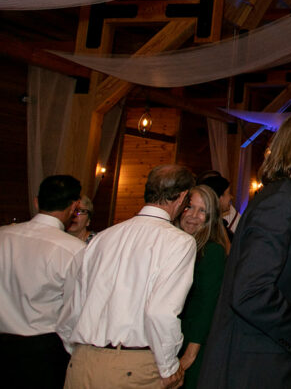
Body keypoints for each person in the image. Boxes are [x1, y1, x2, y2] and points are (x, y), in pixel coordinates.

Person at [199, 109, 291, 388]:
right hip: (250, 368)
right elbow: (251, 292)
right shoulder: (281, 202)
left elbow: (274, 276)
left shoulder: (289, 198)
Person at [58, 165, 197, 388]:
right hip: (132, 367)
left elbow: (71, 306)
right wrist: (169, 367)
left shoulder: (102, 238)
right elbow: (160, 312)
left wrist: (80, 350)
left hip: (82, 362)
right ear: (181, 197)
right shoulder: (179, 242)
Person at [0, 174, 84, 389]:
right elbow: (73, 310)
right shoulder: (73, 250)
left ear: (37, 201)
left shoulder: (3, 235)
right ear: (75, 206)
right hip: (42, 349)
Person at [175, 183, 230, 389]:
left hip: (193, 345)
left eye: (202, 211)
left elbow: (207, 307)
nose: (193, 215)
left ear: (211, 218)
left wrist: (189, 356)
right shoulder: (175, 246)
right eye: (190, 207)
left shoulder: (211, 251)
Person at [198, 171, 240, 237]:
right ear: (219, 198)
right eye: (228, 193)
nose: (231, 197)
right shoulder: (211, 229)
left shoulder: (219, 225)